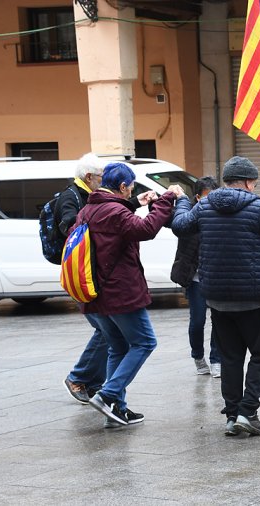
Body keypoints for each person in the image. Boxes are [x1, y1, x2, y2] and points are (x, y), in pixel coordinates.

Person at [171, 156, 260, 437]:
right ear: (250, 182)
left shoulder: (204, 205)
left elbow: (180, 225)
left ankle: (232, 415)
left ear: (226, 180)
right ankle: (247, 411)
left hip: (217, 297)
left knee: (230, 358)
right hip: (254, 297)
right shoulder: (258, 207)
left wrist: (180, 200)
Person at [79, 162, 182, 428]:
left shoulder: (89, 209)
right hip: (119, 292)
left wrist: (136, 202)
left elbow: (117, 224)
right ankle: (107, 395)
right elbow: (145, 229)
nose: (131, 190)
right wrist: (167, 199)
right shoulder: (113, 211)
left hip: (95, 293)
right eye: (131, 187)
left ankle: (116, 411)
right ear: (122, 186)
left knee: (118, 347)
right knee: (144, 343)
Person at [62, 153, 109, 404]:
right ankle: (78, 378)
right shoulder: (71, 198)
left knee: (107, 329)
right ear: (89, 177)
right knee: (105, 329)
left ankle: (92, 382)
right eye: (101, 177)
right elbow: (70, 228)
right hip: (80, 274)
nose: (103, 182)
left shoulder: (86, 196)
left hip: (90, 272)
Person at [170, 176, 221, 377]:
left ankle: (217, 360)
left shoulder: (222, 215)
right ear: (197, 197)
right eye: (206, 198)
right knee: (198, 321)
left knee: (219, 320)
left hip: (217, 278)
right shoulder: (187, 217)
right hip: (195, 280)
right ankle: (198, 355)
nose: (209, 202)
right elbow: (167, 217)